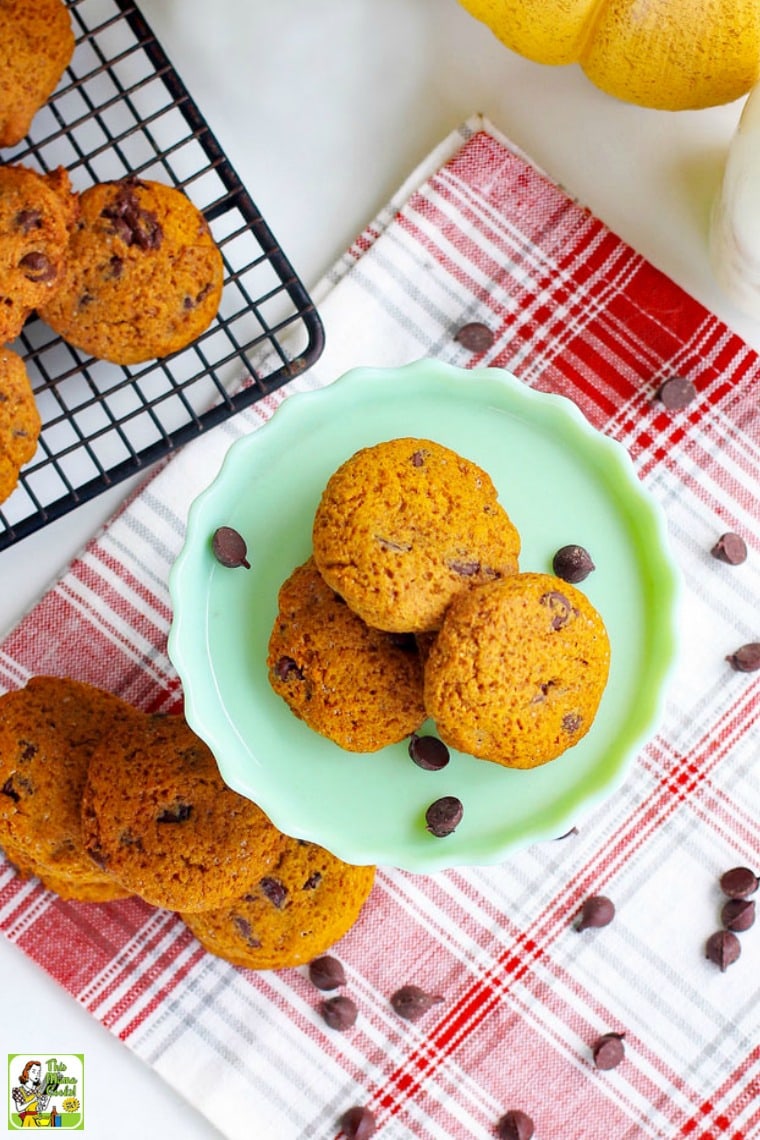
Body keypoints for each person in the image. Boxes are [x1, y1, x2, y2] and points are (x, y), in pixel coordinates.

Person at [11, 1060, 50, 1127]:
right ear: (27, 1072)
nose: (37, 1075)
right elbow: (19, 1109)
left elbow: (41, 1109)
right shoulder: (18, 1090)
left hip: (37, 1120)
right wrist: (32, 1100)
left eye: (39, 1072)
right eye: (34, 1072)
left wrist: (48, 1096)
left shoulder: (38, 1090)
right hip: (27, 1121)